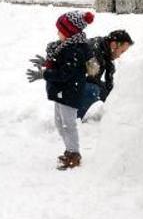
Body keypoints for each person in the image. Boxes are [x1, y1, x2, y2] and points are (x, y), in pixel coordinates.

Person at [28, 11, 95, 170]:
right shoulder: (66, 47)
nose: (58, 33)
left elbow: (65, 74)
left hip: (70, 93)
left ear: (70, 32)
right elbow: (60, 63)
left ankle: (74, 154)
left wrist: (45, 73)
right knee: (60, 124)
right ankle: (69, 150)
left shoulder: (75, 50)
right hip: (62, 93)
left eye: (61, 30)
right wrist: (47, 62)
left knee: (68, 125)